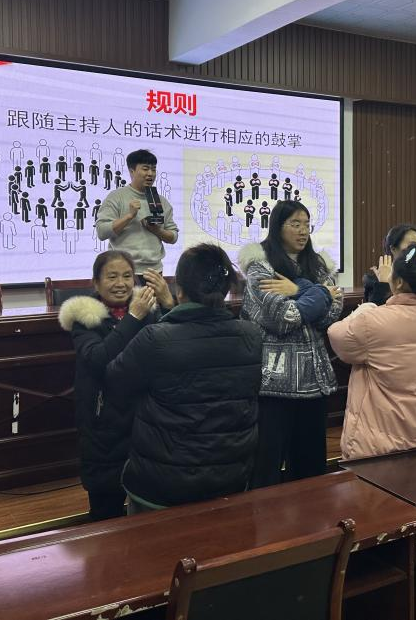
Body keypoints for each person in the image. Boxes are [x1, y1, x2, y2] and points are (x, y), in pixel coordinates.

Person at [106, 245, 263, 513]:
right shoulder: (251, 335)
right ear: (225, 289)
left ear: (179, 290)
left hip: (161, 485)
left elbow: (115, 383)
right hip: (230, 478)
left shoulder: (155, 339)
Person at [58, 251, 173, 521]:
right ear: (96, 283)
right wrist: (133, 317)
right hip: (103, 426)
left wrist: (168, 304)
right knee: (106, 511)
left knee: (147, 510)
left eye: (127, 276)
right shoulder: (85, 317)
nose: (121, 283)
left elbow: (173, 344)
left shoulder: (148, 310)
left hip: (144, 422)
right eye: (112, 277)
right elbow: (98, 359)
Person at [239, 201, 343, 487]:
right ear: (277, 226)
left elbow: (333, 312)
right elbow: (284, 317)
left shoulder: (318, 264)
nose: (303, 231)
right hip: (275, 383)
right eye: (295, 224)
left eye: (307, 224)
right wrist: (321, 294)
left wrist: (298, 290)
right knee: (267, 468)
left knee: (311, 471)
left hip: (314, 381)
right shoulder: (260, 267)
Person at [329, 245, 416, 460]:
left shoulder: (371, 321)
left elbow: (337, 336)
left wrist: (368, 306)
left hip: (381, 446)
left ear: (398, 282)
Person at [95, 149, 178, 275]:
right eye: (145, 169)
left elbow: (173, 237)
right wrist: (129, 216)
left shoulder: (161, 201)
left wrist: (157, 230)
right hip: (123, 270)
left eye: (153, 169)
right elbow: (102, 232)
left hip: (154, 271)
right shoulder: (116, 197)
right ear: (131, 171)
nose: (150, 174)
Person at [362, 223, 416, 308]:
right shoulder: (373, 281)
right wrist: (384, 284)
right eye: (413, 245)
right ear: (393, 249)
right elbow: (376, 313)